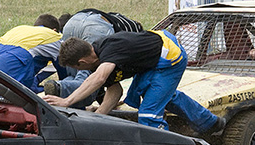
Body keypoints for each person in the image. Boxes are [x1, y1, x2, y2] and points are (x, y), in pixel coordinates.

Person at [45, 30, 226, 137]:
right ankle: (211, 123)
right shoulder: (97, 62)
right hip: (151, 60)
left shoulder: (110, 50)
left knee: (148, 114)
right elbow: (114, 89)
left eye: (76, 68)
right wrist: (98, 117)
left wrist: (67, 101)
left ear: (82, 62)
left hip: (169, 57)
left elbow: (99, 79)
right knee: (162, 96)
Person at [43, 8, 144, 107]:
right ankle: (60, 89)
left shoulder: (121, 21)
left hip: (73, 22)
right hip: (96, 27)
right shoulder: (136, 39)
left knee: (75, 72)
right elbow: (102, 79)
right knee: (88, 76)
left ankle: (60, 88)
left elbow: (109, 83)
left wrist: (104, 106)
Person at [0, 16, 62, 92]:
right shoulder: (54, 36)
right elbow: (64, 64)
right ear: (54, 30)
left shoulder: (20, 28)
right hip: (10, 60)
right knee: (16, 98)